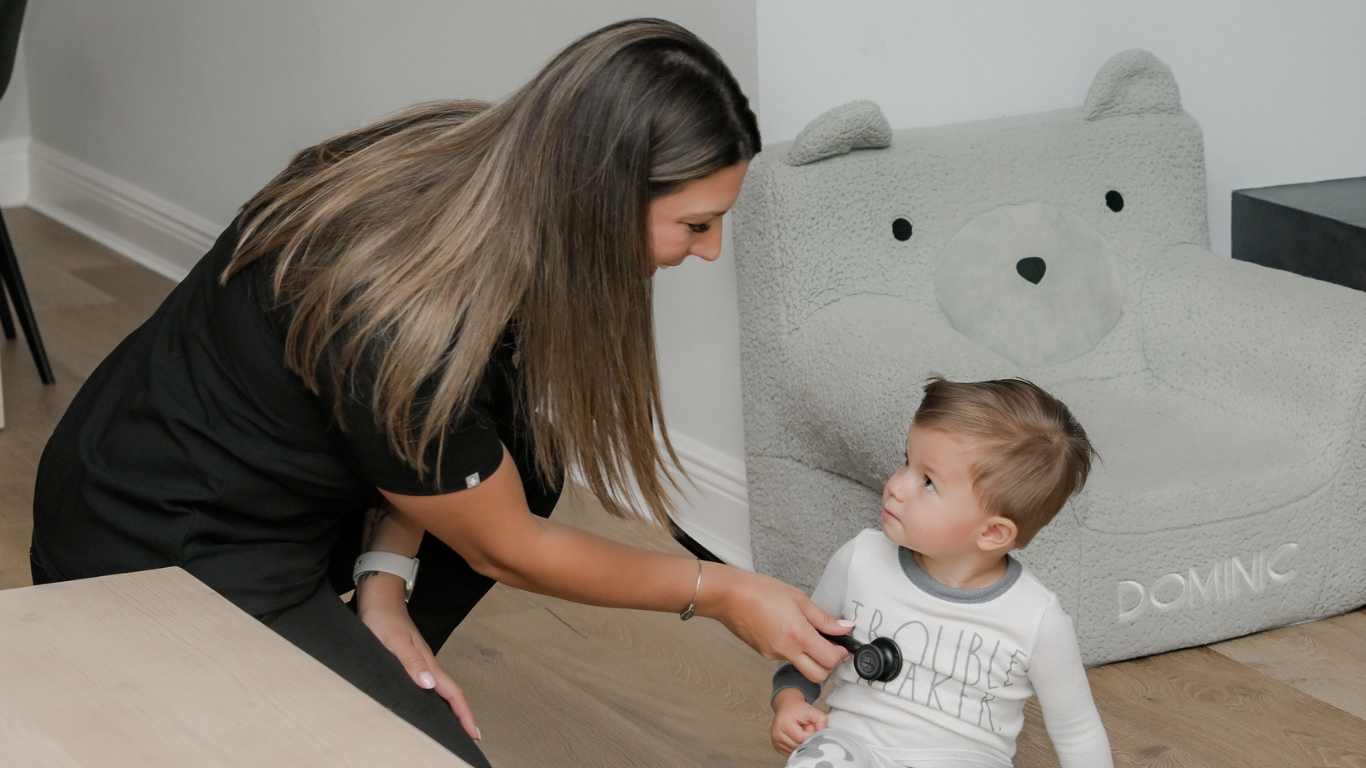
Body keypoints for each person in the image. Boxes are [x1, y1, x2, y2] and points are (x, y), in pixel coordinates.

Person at [28, 19, 853, 767]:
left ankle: (357, 642)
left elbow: (418, 431)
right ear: (601, 196)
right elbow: (506, 547)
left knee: (526, 458)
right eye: (697, 224)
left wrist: (385, 588)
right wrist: (722, 592)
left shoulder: (473, 171)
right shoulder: (396, 310)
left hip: (246, 481)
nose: (706, 254)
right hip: (158, 548)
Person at [770, 377, 1113, 768]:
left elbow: (1078, 730)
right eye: (906, 461)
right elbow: (804, 653)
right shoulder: (859, 560)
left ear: (992, 532)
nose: (897, 486)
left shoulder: (1037, 621)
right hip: (854, 745)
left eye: (928, 482)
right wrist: (790, 703)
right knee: (820, 760)